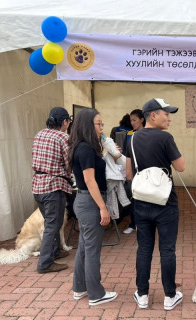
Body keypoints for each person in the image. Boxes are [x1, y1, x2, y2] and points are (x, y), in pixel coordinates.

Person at [126, 98, 185, 311]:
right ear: (153, 115)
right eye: (165, 114)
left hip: (141, 201)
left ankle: (142, 294)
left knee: (144, 248)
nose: (169, 118)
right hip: (165, 201)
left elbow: (129, 173)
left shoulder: (131, 139)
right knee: (167, 249)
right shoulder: (166, 138)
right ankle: (170, 296)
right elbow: (181, 166)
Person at [69, 108, 118, 306]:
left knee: (84, 247)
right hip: (90, 202)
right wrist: (103, 208)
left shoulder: (83, 147)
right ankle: (96, 293)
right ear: (88, 125)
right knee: (92, 251)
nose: (101, 128)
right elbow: (90, 181)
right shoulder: (86, 149)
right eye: (99, 124)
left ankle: (80, 287)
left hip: (85, 202)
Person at [32, 107, 72, 274]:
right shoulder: (63, 137)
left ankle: (55, 252)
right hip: (53, 186)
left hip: (37, 185)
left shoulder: (39, 134)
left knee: (51, 222)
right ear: (64, 122)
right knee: (52, 224)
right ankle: (45, 263)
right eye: (68, 122)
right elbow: (69, 162)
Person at [122, 108, 146, 234]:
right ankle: (133, 224)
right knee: (134, 199)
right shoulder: (130, 134)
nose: (132, 123)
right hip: (134, 171)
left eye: (134, 120)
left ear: (142, 120)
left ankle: (145, 224)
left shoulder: (149, 134)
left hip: (146, 171)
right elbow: (127, 156)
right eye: (131, 120)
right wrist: (128, 174)